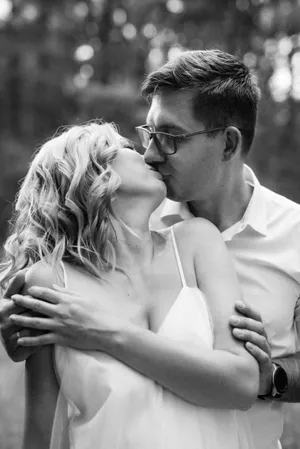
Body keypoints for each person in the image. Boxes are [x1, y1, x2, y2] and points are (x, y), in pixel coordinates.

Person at [1, 49, 300, 447]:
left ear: (228, 144)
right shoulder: (131, 222)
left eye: (171, 137)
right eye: (149, 133)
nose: (151, 153)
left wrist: (270, 376)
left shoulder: (290, 235)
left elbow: (241, 382)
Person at [0, 121, 258, 449]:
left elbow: (242, 384)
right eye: (130, 149)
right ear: (96, 173)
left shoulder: (196, 242)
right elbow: (39, 431)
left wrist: (105, 332)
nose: (150, 156)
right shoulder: (51, 281)